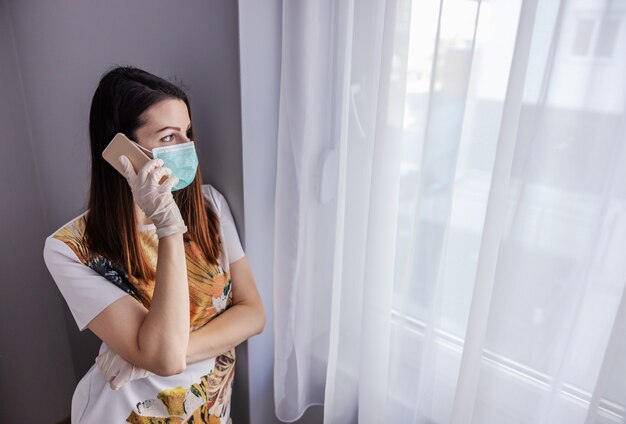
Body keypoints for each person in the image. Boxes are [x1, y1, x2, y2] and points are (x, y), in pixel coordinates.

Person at [43, 65, 265, 423]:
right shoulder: (69, 248)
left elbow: (253, 313)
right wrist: (167, 225)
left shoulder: (210, 206)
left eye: (187, 133)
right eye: (167, 137)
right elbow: (164, 358)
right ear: (121, 152)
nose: (186, 147)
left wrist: (148, 357)